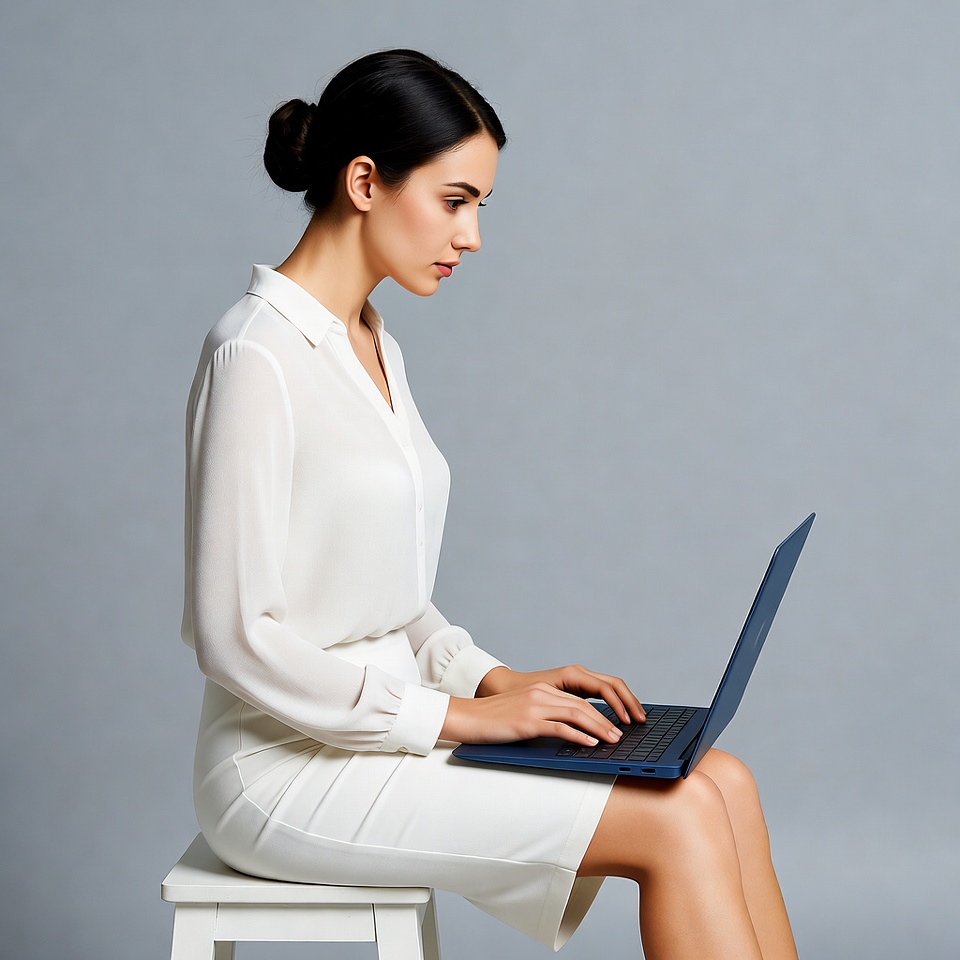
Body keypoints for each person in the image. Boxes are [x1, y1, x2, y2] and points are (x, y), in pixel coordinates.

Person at [181, 49, 799, 959]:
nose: (470, 236)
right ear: (364, 182)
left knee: (723, 784)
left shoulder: (374, 346)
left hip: (385, 735)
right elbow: (232, 634)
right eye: (455, 199)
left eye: (479, 207)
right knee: (676, 824)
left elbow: (380, 596)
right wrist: (459, 719)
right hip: (283, 771)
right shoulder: (256, 356)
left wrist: (495, 680)